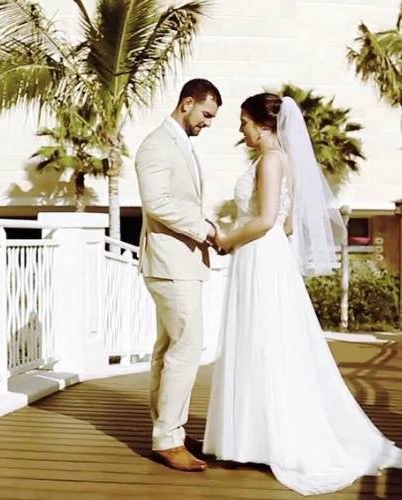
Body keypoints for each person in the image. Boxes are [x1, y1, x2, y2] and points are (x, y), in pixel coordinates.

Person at [203, 93, 402, 495]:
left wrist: (225, 239)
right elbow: (287, 225)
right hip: (267, 256)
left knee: (261, 342)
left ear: (262, 124)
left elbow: (262, 219)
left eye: (243, 122)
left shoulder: (271, 161)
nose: (240, 131)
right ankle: (255, 436)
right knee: (266, 342)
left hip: (258, 256)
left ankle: (259, 438)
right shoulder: (284, 162)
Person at [134, 78, 222, 472]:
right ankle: (168, 439)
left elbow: (181, 201)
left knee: (170, 349)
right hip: (170, 265)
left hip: (179, 263)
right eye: (205, 114)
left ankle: (170, 432)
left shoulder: (180, 143)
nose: (207, 123)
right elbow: (157, 204)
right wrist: (206, 230)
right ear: (187, 103)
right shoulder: (156, 145)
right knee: (186, 349)